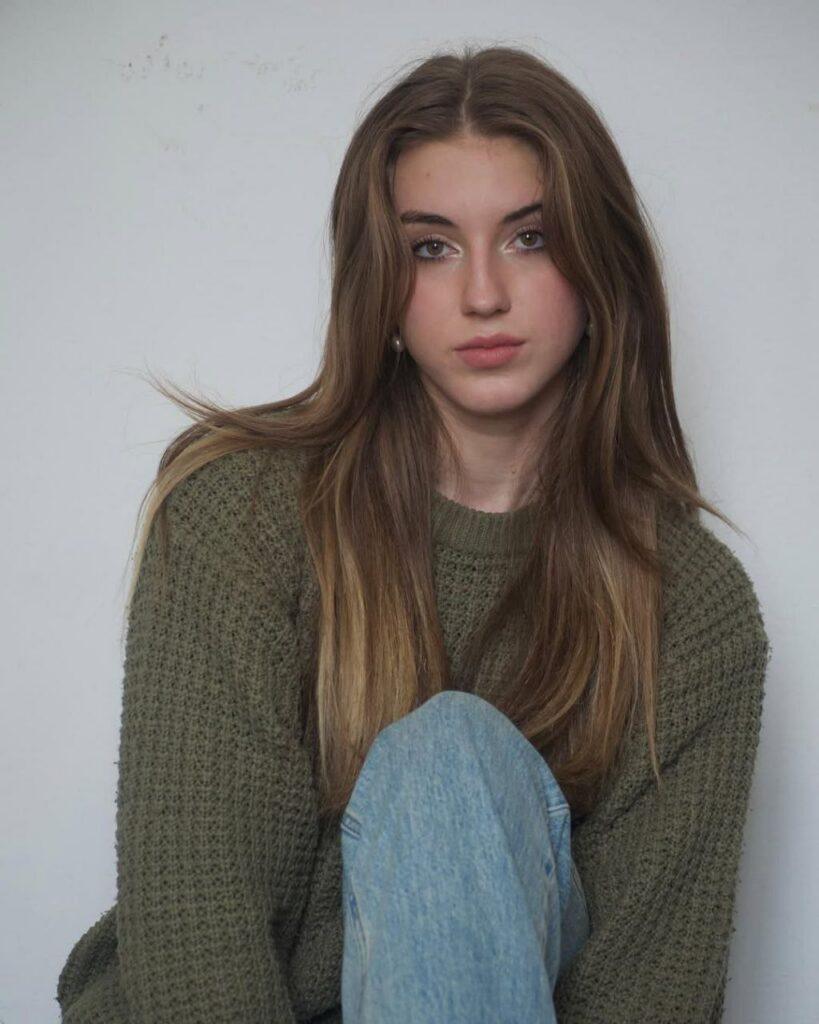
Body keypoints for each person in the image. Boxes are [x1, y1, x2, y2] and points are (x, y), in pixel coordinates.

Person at [55, 44, 771, 1023]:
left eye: (530, 238)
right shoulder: (243, 515)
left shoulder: (689, 603)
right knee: (444, 758)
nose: (482, 294)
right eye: (431, 248)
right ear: (381, 286)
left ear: (601, 268)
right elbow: (196, 932)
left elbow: (652, 991)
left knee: (450, 758)